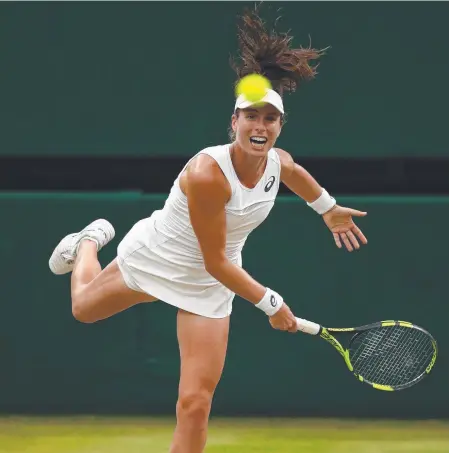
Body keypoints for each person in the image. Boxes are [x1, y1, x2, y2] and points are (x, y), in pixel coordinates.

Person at [48, 6, 367, 453]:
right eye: (250, 117)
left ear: (279, 126)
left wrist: (328, 209)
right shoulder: (206, 175)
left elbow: (296, 176)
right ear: (233, 122)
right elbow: (215, 259)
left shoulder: (279, 162)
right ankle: (86, 242)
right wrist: (271, 303)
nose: (260, 126)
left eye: (269, 119)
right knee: (83, 308)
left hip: (208, 286)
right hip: (160, 257)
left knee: (195, 402)